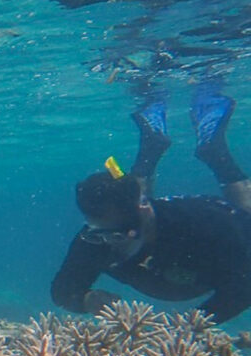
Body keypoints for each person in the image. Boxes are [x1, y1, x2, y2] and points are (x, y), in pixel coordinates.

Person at [51, 84, 251, 323]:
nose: (114, 245)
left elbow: (243, 288)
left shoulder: (204, 228)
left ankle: (215, 149)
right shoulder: (96, 237)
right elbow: (62, 290)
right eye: (102, 235)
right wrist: (86, 299)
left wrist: (190, 327)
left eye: (122, 233)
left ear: (144, 211)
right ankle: (152, 143)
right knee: (128, 193)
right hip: (143, 210)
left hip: (233, 222)